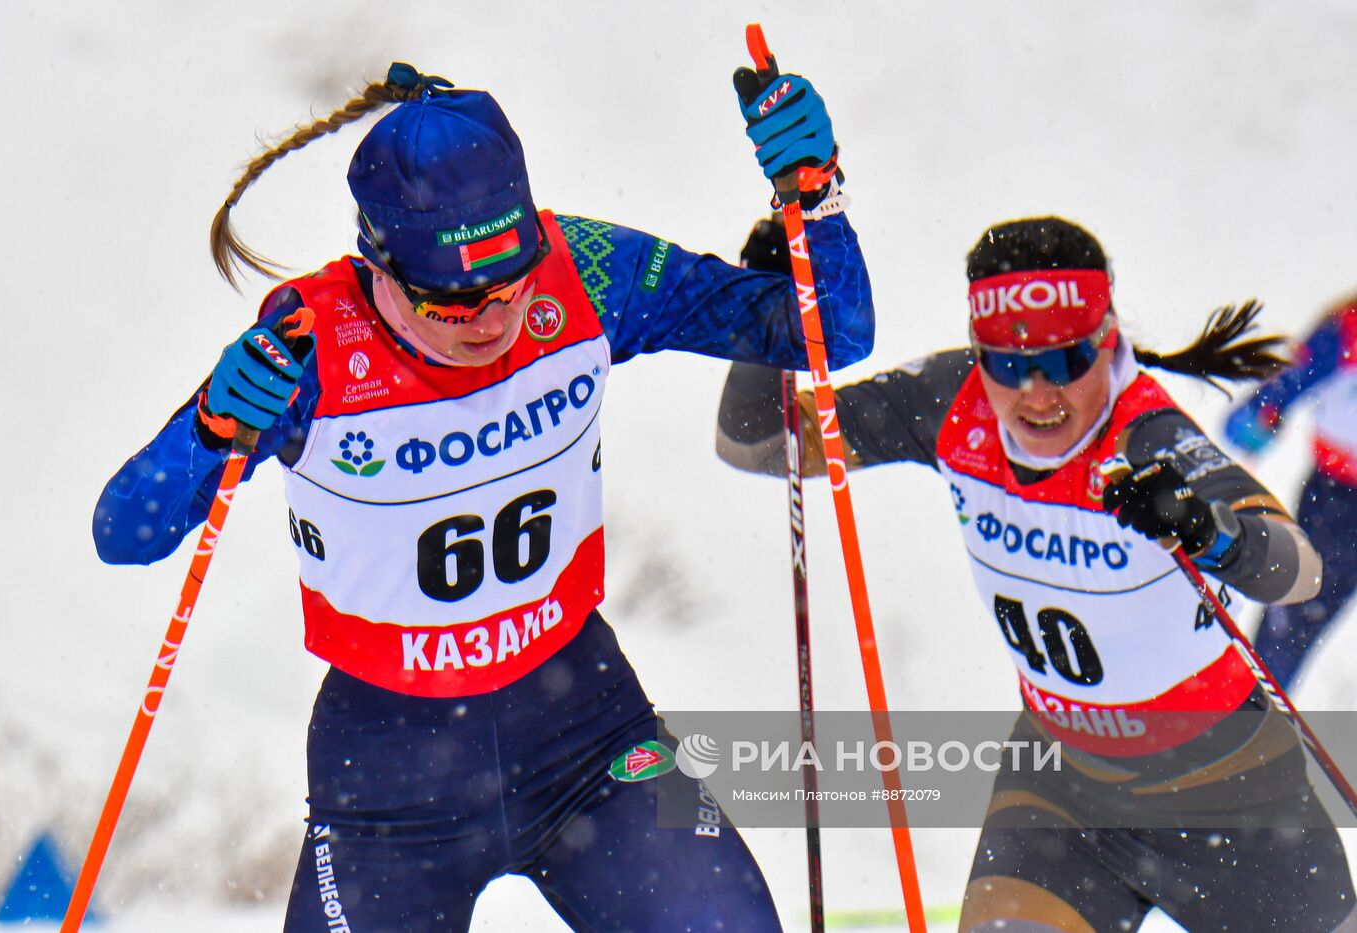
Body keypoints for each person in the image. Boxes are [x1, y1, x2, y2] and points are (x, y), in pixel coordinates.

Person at [93, 60, 871, 932]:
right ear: (377, 266)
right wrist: (204, 426)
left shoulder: (585, 269)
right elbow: (125, 530)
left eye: (513, 285)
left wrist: (818, 199)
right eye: (454, 304)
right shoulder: (310, 345)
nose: (494, 320)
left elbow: (824, 331)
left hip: (588, 735)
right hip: (389, 785)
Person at [717, 215, 1356, 932]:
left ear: (1107, 342)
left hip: (1229, 794)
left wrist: (1210, 531)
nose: (1037, 395)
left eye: (1064, 362)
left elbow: (1299, 570)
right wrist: (763, 312)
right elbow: (760, 443)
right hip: (1062, 792)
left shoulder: (1147, 436)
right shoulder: (950, 402)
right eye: (1008, 365)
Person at [1224, 294, 1357, 690]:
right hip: (1339, 505)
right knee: (1292, 627)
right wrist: (1259, 417)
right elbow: (1266, 400)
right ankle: (1251, 714)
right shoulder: (1345, 334)